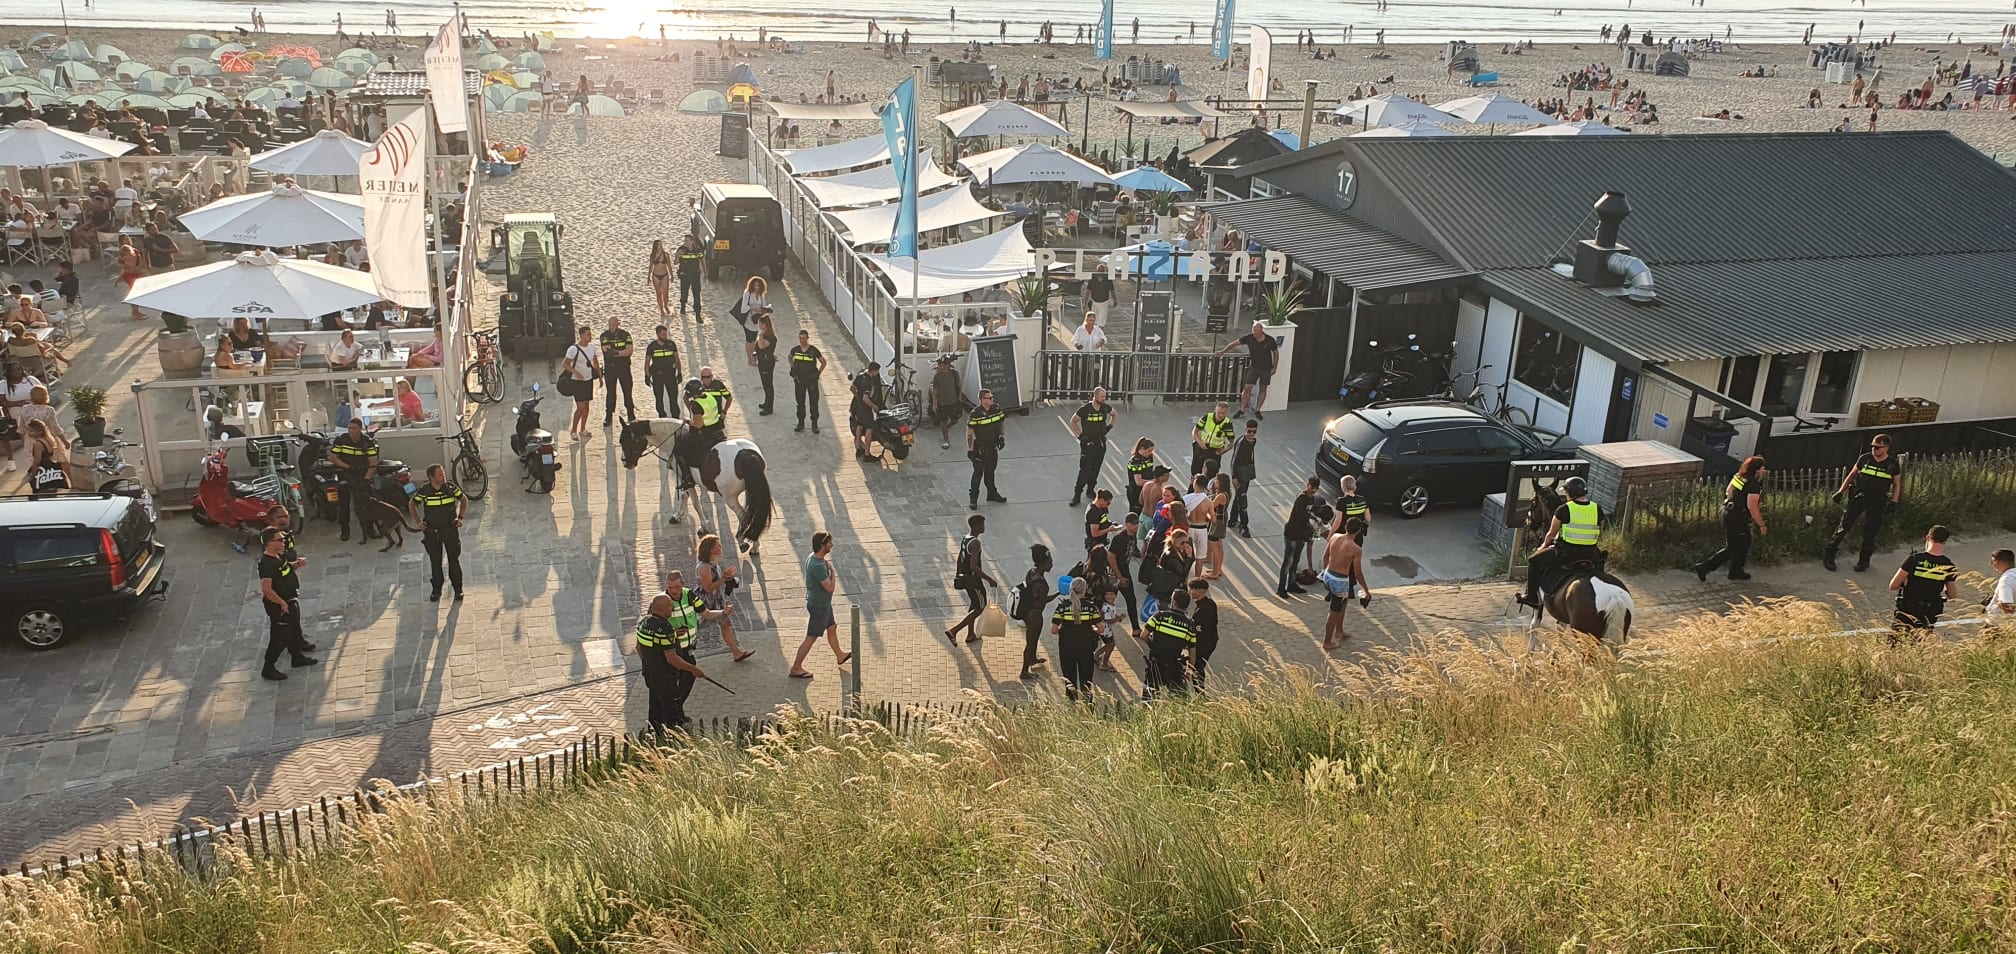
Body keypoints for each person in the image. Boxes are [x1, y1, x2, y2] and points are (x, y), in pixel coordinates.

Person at [634, 570, 726, 732]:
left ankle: (653, 730)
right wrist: (694, 669)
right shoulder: (666, 629)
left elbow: (638, 648)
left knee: (655, 702)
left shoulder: (643, 623)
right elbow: (671, 659)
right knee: (669, 704)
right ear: (663, 609)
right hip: (666, 673)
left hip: (650, 672)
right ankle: (671, 732)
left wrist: (649, 664)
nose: (672, 608)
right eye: (670, 607)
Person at [1518, 476, 1602, 609]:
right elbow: (1598, 530)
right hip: (1591, 554)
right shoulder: (1597, 508)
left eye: (1566, 492)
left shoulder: (1563, 509)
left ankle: (1531, 597)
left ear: (1571, 493)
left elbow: (1551, 533)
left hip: (1567, 553)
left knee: (1533, 561)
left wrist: (1543, 547)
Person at [1825, 433, 1903, 572]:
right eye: (1873, 446)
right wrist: (1840, 492)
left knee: (1870, 532)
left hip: (1878, 500)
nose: (1874, 449)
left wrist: (1894, 501)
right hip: (1858, 497)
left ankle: (1864, 561)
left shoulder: (1892, 464)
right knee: (1844, 526)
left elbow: (1897, 484)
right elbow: (1851, 475)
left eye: (1878, 447)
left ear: (1887, 448)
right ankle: (1829, 556)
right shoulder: (1865, 459)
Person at [257, 527, 320, 681]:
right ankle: (268, 667)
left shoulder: (279, 556)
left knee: (293, 630)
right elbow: (267, 589)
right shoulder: (266, 564)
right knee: (279, 637)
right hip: (279, 605)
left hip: (290, 600)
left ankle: (297, 657)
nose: (284, 541)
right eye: (280, 539)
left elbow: (285, 569)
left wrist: (297, 564)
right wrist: (281, 603)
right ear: (270, 543)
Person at [1694, 455, 1768, 581]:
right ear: (1757, 470)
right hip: (1737, 517)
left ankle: (1736, 570)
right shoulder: (1753, 485)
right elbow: (1752, 507)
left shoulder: (1739, 477)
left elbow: (1728, 492)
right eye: (1762, 468)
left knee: (1744, 542)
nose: (1764, 471)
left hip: (1727, 512)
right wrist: (1761, 525)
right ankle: (1705, 567)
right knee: (1733, 547)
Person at [791, 530, 854, 677]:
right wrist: (832, 572)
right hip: (819, 606)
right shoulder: (819, 566)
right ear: (822, 545)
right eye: (829, 543)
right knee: (811, 637)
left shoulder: (812, 558)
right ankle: (796, 667)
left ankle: (839, 655)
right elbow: (830, 588)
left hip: (821, 603)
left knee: (832, 627)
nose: (832, 545)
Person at [1889, 525, 1959, 642]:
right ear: (1945, 541)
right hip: (1929, 613)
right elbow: (1953, 595)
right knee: (1918, 646)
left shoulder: (1914, 559)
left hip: (1907, 610)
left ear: (1928, 537)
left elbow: (1893, 585)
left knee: (1894, 645)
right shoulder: (1948, 565)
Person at [408, 463, 467, 602]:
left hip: (450, 530)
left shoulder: (451, 488)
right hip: (432, 532)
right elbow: (412, 504)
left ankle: (458, 589)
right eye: (440, 475)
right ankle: (436, 590)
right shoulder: (425, 491)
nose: (443, 477)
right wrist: (418, 522)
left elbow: (463, 500)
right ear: (431, 477)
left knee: (454, 560)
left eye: (443, 474)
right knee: (435, 561)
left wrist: (460, 517)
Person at [696, 534, 756, 663]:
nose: (721, 547)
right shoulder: (704, 567)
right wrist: (724, 578)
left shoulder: (713, 562)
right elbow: (708, 588)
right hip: (706, 602)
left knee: (726, 624)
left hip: (715, 600)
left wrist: (726, 577)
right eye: (718, 545)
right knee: (694, 626)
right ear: (711, 549)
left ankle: (737, 653)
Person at [1320, 517, 1372, 649]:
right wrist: (1366, 589)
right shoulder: (1356, 549)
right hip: (1340, 581)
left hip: (1328, 575)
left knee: (1343, 602)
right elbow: (1358, 573)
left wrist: (1326, 571)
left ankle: (1339, 631)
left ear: (1346, 527)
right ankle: (1327, 642)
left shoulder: (1335, 537)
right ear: (1359, 531)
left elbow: (1325, 556)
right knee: (1334, 611)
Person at [945, 513, 998, 643]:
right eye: (982, 524)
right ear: (977, 526)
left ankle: (970, 634)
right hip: (973, 580)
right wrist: (989, 579)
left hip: (966, 578)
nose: (984, 527)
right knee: (980, 606)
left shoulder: (966, 538)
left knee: (974, 603)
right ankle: (954, 631)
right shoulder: (976, 543)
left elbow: (960, 558)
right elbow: (974, 566)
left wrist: (959, 573)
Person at [1050, 577, 1103, 699]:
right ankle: (1088, 706)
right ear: (1085, 590)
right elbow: (1100, 629)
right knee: (1086, 681)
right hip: (1086, 649)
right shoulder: (1091, 608)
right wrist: (1093, 629)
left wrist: (1063, 631)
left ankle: (1073, 706)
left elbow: (1053, 630)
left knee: (1069, 680)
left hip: (1067, 649)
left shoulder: (1062, 608)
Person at [328, 417, 379, 543]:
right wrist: (348, 467)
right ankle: (345, 529)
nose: (350, 430)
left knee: (366, 501)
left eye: (354, 428)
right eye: (349, 428)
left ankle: (370, 529)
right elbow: (333, 458)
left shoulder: (367, 442)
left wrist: (366, 480)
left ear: (360, 429)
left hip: (362, 474)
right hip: (345, 473)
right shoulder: (341, 440)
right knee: (344, 501)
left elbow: (373, 463)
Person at [1217, 322, 1281, 420]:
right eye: (1253, 330)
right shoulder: (1249, 338)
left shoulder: (1270, 340)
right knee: (1247, 388)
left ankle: (1258, 410)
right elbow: (1234, 343)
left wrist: (1274, 367)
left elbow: (1276, 353)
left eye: (1256, 331)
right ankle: (1242, 410)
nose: (1254, 333)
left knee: (1263, 388)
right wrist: (1223, 351)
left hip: (1266, 368)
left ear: (1261, 331)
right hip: (1254, 367)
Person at [1141, 590, 1197, 698]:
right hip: (1173, 665)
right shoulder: (1190, 625)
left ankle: (1147, 711)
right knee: (1178, 696)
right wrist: (1189, 670)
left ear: (1174, 602)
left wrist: (1152, 644)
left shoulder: (1160, 616)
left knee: (1149, 693)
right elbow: (1192, 652)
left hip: (1155, 663)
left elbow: (1143, 635)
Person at [1067, 387, 1116, 507]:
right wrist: (1081, 436)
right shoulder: (1085, 409)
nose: (1104, 399)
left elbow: (1114, 414)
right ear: (1095, 396)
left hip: (1100, 444)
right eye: (1102, 397)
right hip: (1088, 444)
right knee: (1084, 470)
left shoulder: (1105, 407)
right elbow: (1073, 421)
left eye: (1105, 397)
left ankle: (1090, 490)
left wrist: (1109, 427)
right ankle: (1077, 494)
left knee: (1096, 468)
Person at [1278, 475, 1322, 596]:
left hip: (1301, 535)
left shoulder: (1311, 499)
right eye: (1310, 486)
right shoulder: (1301, 498)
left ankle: (1291, 584)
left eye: (1313, 487)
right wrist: (1312, 521)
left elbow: (1308, 513)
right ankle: (1281, 587)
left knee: (1295, 561)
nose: (1311, 489)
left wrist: (1315, 518)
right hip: (1292, 533)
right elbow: (1302, 514)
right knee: (1288, 561)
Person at [966, 388, 1008, 509]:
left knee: (990, 472)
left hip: (992, 447)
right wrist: (970, 449)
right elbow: (969, 432)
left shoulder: (996, 410)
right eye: (989, 398)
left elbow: (1001, 422)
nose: (992, 399)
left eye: (992, 397)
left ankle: (992, 494)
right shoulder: (975, 414)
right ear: (982, 400)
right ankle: (973, 499)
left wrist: (1001, 436)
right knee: (978, 474)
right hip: (980, 449)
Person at [562, 324, 600, 439]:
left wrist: (600, 376)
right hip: (577, 382)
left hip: (588, 381)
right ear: (582, 336)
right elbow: (565, 364)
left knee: (587, 406)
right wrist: (576, 372)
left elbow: (595, 362)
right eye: (588, 334)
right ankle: (573, 429)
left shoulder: (592, 347)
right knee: (580, 407)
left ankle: (583, 428)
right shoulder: (573, 349)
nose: (590, 336)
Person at [599, 316, 636, 426]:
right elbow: (606, 350)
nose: (612, 327)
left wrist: (616, 353)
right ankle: (609, 415)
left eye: (614, 325)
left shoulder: (625, 334)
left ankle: (631, 413)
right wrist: (621, 352)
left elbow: (629, 351)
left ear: (618, 324)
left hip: (624, 368)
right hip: (610, 369)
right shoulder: (604, 335)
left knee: (627, 391)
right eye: (610, 325)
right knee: (610, 393)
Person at [789, 329, 827, 433]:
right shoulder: (795, 350)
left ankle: (814, 424)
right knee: (800, 403)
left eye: (804, 338)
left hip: (811, 381)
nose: (802, 340)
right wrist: (793, 368)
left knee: (814, 403)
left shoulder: (813, 350)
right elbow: (790, 357)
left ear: (808, 338)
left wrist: (818, 373)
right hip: (800, 381)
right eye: (800, 338)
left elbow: (823, 362)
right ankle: (800, 423)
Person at [1225, 419, 1259, 537]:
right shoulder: (1241, 442)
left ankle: (1233, 520)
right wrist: (1234, 477)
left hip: (1246, 474)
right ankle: (1244, 526)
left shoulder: (1253, 441)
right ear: (1245, 429)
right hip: (1239, 475)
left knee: (1239, 497)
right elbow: (1234, 460)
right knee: (1242, 500)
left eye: (1253, 432)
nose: (1251, 434)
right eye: (1249, 431)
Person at [1185, 578, 1220, 688]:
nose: (1189, 592)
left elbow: (1198, 630)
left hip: (1204, 643)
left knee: (1197, 667)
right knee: (1199, 666)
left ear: (1200, 591)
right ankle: (1199, 690)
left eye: (1191, 589)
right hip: (1211, 639)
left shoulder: (1202, 610)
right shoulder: (1210, 603)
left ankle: (1199, 691)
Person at [850, 362, 887, 460]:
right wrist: (874, 406)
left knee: (859, 425)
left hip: (859, 407)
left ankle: (858, 448)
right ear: (874, 371)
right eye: (877, 371)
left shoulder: (860, 376)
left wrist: (858, 398)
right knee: (869, 429)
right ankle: (867, 454)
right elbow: (866, 398)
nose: (877, 373)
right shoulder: (869, 382)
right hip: (867, 408)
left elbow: (852, 388)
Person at [644, 325, 683, 418]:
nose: (665, 336)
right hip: (657, 376)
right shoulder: (652, 346)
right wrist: (647, 375)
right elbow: (647, 362)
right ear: (658, 334)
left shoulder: (671, 344)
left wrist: (680, 373)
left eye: (666, 334)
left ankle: (675, 417)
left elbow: (677, 359)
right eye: (663, 335)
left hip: (670, 375)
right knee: (659, 398)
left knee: (673, 397)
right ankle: (662, 416)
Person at [23, 419, 68, 495]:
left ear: (39, 432)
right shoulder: (49, 440)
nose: (28, 433)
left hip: (43, 474)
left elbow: (37, 461)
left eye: (31, 431)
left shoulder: (38, 444)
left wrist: (32, 474)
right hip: (52, 471)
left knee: (41, 495)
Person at [1189, 401, 1234, 477]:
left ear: (1227, 413)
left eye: (1223, 413)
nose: (1221, 415)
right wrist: (1200, 442)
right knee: (1195, 472)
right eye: (1219, 412)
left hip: (1215, 452)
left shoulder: (1227, 424)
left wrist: (1224, 451)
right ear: (1215, 410)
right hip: (1201, 448)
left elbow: (1231, 442)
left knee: (1212, 474)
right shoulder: (1206, 417)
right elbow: (1195, 432)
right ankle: (1193, 486)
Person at [927, 354, 961, 449]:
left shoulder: (954, 374)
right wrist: (934, 404)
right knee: (943, 421)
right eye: (939, 365)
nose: (939, 367)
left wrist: (960, 398)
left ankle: (947, 428)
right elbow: (935, 391)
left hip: (953, 401)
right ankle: (946, 439)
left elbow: (959, 386)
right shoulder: (937, 376)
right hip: (942, 403)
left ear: (947, 365)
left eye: (941, 365)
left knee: (955, 419)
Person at [1202, 473, 1233, 580]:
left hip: (1217, 522)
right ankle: (1218, 569)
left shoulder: (1220, 496)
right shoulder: (1225, 493)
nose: (1214, 482)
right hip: (1221, 520)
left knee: (1214, 547)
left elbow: (1210, 505)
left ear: (1220, 483)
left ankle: (1215, 572)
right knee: (1219, 546)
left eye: (1216, 480)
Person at [751, 312, 778, 416]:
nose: (759, 326)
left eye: (760, 324)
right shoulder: (764, 335)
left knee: (768, 385)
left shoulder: (770, 337)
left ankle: (769, 407)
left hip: (767, 363)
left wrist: (760, 335)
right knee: (764, 383)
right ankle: (766, 402)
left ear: (765, 325)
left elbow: (762, 346)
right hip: (761, 362)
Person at [1332, 474, 1371, 543]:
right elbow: (1368, 518)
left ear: (1343, 487)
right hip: (1357, 535)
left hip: (1343, 535)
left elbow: (1337, 521)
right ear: (1354, 486)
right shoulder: (1363, 500)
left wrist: (1331, 534)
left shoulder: (1341, 501)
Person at [1986, 548, 2016, 631]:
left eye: (1993, 561)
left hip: (1999, 625)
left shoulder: (2006, 579)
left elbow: (2006, 605)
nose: (1991, 564)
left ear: (2001, 562)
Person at [1125, 438, 1157, 516]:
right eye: (1149, 451)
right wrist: (1154, 481)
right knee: (1136, 515)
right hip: (1136, 493)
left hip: (1146, 490)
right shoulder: (1135, 461)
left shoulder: (1149, 457)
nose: (1150, 453)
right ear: (1142, 448)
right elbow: (1138, 482)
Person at [675, 234, 705, 317]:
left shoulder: (697, 250)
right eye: (685, 240)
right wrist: (678, 256)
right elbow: (675, 262)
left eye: (687, 240)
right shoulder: (681, 249)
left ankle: (698, 313)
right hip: (684, 275)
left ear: (692, 241)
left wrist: (705, 272)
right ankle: (683, 307)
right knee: (684, 292)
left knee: (696, 294)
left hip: (695, 275)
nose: (686, 242)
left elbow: (702, 260)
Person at [647, 239, 674, 317]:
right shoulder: (652, 255)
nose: (661, 246)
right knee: (659, 294)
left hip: (665, 275)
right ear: (655, 246)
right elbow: (651, 266)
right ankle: (661, 309)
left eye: (661, 245)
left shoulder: (666, 255)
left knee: (666, 294)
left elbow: (669, 266)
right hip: (655, 275)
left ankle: (666, 306)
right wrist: (648, 276)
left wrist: (672, 275)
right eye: (659, 245)